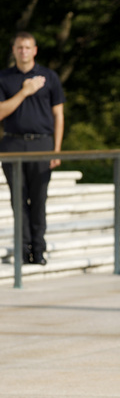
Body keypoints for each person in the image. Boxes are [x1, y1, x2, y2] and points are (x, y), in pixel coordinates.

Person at [0, 31, 65, 266]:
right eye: (19, 47)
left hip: (42, 143)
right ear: (14, 50)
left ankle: (38, 250)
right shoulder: (4, 78)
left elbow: (59, 114)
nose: (23, 51)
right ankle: (22, 249)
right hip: (12, 143)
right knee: (18, 200)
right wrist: (24, 91)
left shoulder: (50, 77)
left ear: (35, 50)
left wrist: (56, 150)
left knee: (38, 200)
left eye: (28, 47)